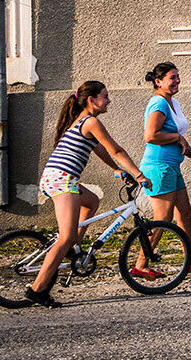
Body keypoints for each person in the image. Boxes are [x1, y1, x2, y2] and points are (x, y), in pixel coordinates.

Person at [27, 81, 150, 308]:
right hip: (62, 180)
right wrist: (138, 174)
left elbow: (100, 149)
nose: (109, 100)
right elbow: (116, 149)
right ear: (92, 100)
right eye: (105, 96)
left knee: (91, 201)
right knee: (65, 236)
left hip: (60, 178)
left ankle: (74, 247)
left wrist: (115, 169)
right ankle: (37, 290)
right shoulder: (91, 121)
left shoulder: (81, 121)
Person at [133, 62, 191, 277]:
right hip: (158, 167)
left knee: (185, 214)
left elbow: (177, 137)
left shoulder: (172, 103)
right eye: (172, 78)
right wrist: (177, 137)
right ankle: (140, 265)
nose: (177, 81)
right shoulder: (158, 103)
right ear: (158, 82)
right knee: (163, 218)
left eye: (178, 76)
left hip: (172, 166)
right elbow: (151, 135)